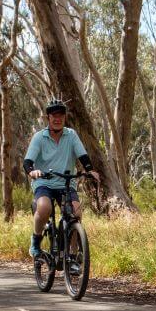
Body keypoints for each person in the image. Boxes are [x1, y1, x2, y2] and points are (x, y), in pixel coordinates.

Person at [22, 99, 99, 260]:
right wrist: (32, 172)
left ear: (65, 117)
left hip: (66, 183)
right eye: (54, 116)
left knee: (76, 213)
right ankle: (35, 241)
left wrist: (90, 170)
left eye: (61, 116)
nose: (57, 119)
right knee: (44, 208)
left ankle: (72, 254)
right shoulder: (39, 137)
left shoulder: (71, 135)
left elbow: (82, 155)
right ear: (48, 117)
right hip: (44, 182)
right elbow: (28, 162)